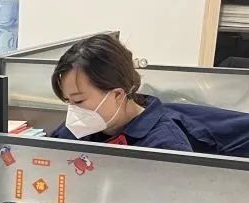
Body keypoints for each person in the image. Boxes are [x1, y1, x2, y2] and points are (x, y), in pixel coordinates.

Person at [48, 34, 194, 151]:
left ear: (117, 95)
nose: (73, 111)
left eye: (79, 101)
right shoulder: (76, 130)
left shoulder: (165, 146)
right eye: (68, 101)